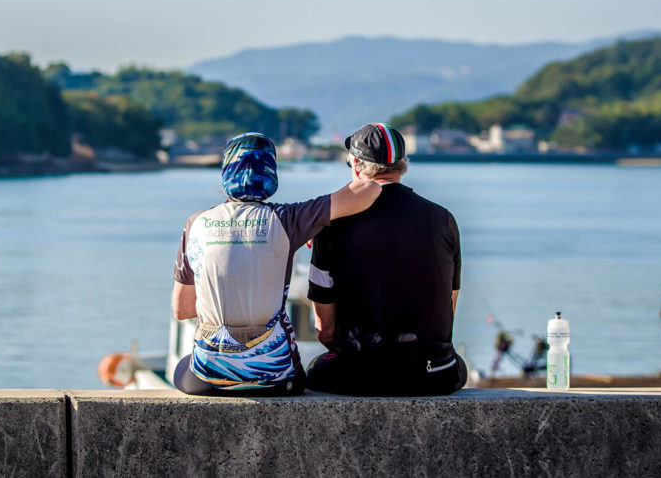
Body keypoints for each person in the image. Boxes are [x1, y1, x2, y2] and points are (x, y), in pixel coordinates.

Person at [171, 132, 382, 395]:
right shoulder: (288, 220)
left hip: (210, 377)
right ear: (271, 173)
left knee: (181, 368)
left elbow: (182, 310)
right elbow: (370, 189)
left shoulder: (195, 224)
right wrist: (316, 226)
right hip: (275, 377)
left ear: (226, 171)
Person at [305, 123, 466, 396]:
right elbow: (448, 309)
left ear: (356, 165)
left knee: (315, 367)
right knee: (456, 363)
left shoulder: (331, 225)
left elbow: (325, 331)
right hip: (435, 375)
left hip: (362, 376)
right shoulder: (443, 219)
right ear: (403, 164)